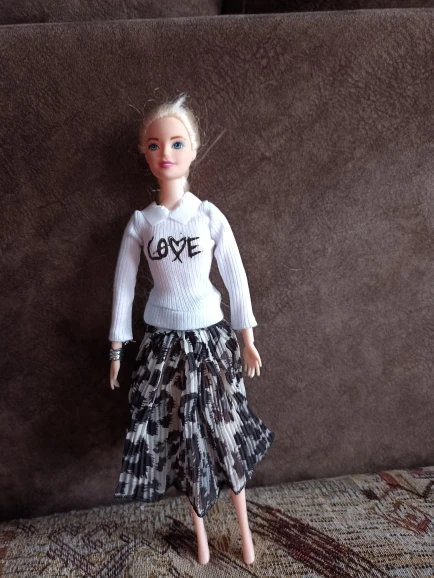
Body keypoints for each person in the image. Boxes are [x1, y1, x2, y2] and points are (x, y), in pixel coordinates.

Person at [108, 93, 274, 566]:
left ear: (194, 150)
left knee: (225, 429)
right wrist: (116, 348)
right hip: (162, 346)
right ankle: (200, 535)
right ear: (145, 153)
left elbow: (235, 276)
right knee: (183, 435)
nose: (166, 153)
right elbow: (123, 289)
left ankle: (245, 533)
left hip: (210, 339)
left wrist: (247, 337)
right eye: (155, 145)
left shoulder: (208, 216)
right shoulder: (142, 223)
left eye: (177, 143)